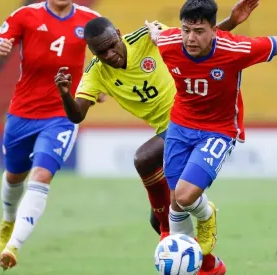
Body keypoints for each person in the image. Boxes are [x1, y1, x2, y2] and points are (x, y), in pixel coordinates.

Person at [54, 1, 259, 274]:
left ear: (118, 33)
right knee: (158, 216)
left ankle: (170, 232)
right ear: (92, 51)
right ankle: (209, 266)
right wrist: (66, 93)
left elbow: (194, 42)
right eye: (101, 51)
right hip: (172, 132)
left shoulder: (146, 37)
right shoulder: (96, 72)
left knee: (145, 159)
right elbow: (77, 115)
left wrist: (231, 22)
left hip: (190, 119)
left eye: (112, 44)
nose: (111, 54)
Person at [145, 0, 277, 260]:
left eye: (198, 31)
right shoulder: (168, 42)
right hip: (180, 126)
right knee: (175, 203)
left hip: (217, 130)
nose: (190, 38)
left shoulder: (235, 49)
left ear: (213, 30)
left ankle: (207, 214)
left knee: (184, 197)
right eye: (186, 30)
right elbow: (157, 36)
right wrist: (152, 30)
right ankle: (188, 264)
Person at [0, 0, 101, 270]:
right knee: (15, 176)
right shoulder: (25, 15)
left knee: (41, 175)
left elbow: (106, 54)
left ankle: (13, 246)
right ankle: (8, 218)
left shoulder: (90, 20)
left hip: (63, 115)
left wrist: (99, 84)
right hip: (23, 112)